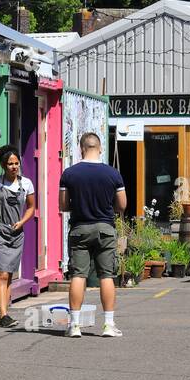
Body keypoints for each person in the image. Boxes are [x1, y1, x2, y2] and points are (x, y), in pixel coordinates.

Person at [58, 132, 127, 338]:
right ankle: (108, 325)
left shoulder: (69, 174)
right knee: (107, 275)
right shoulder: (113, 174)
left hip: (80, 228)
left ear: (81, 148)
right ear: (100, 148)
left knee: (78, 275)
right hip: (105, 228)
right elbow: (122, 205)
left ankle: (75, 326)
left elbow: (62, 204)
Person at [0, 145, 36, 328]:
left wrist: (22, 222)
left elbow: (31, 207)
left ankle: (4, 313)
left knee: (9, 274)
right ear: (3, 165)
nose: (14, 167)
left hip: (16, 233)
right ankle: (3, 314)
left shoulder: (27, 183)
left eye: (16, 163)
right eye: (10, 164)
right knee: (3, 274)